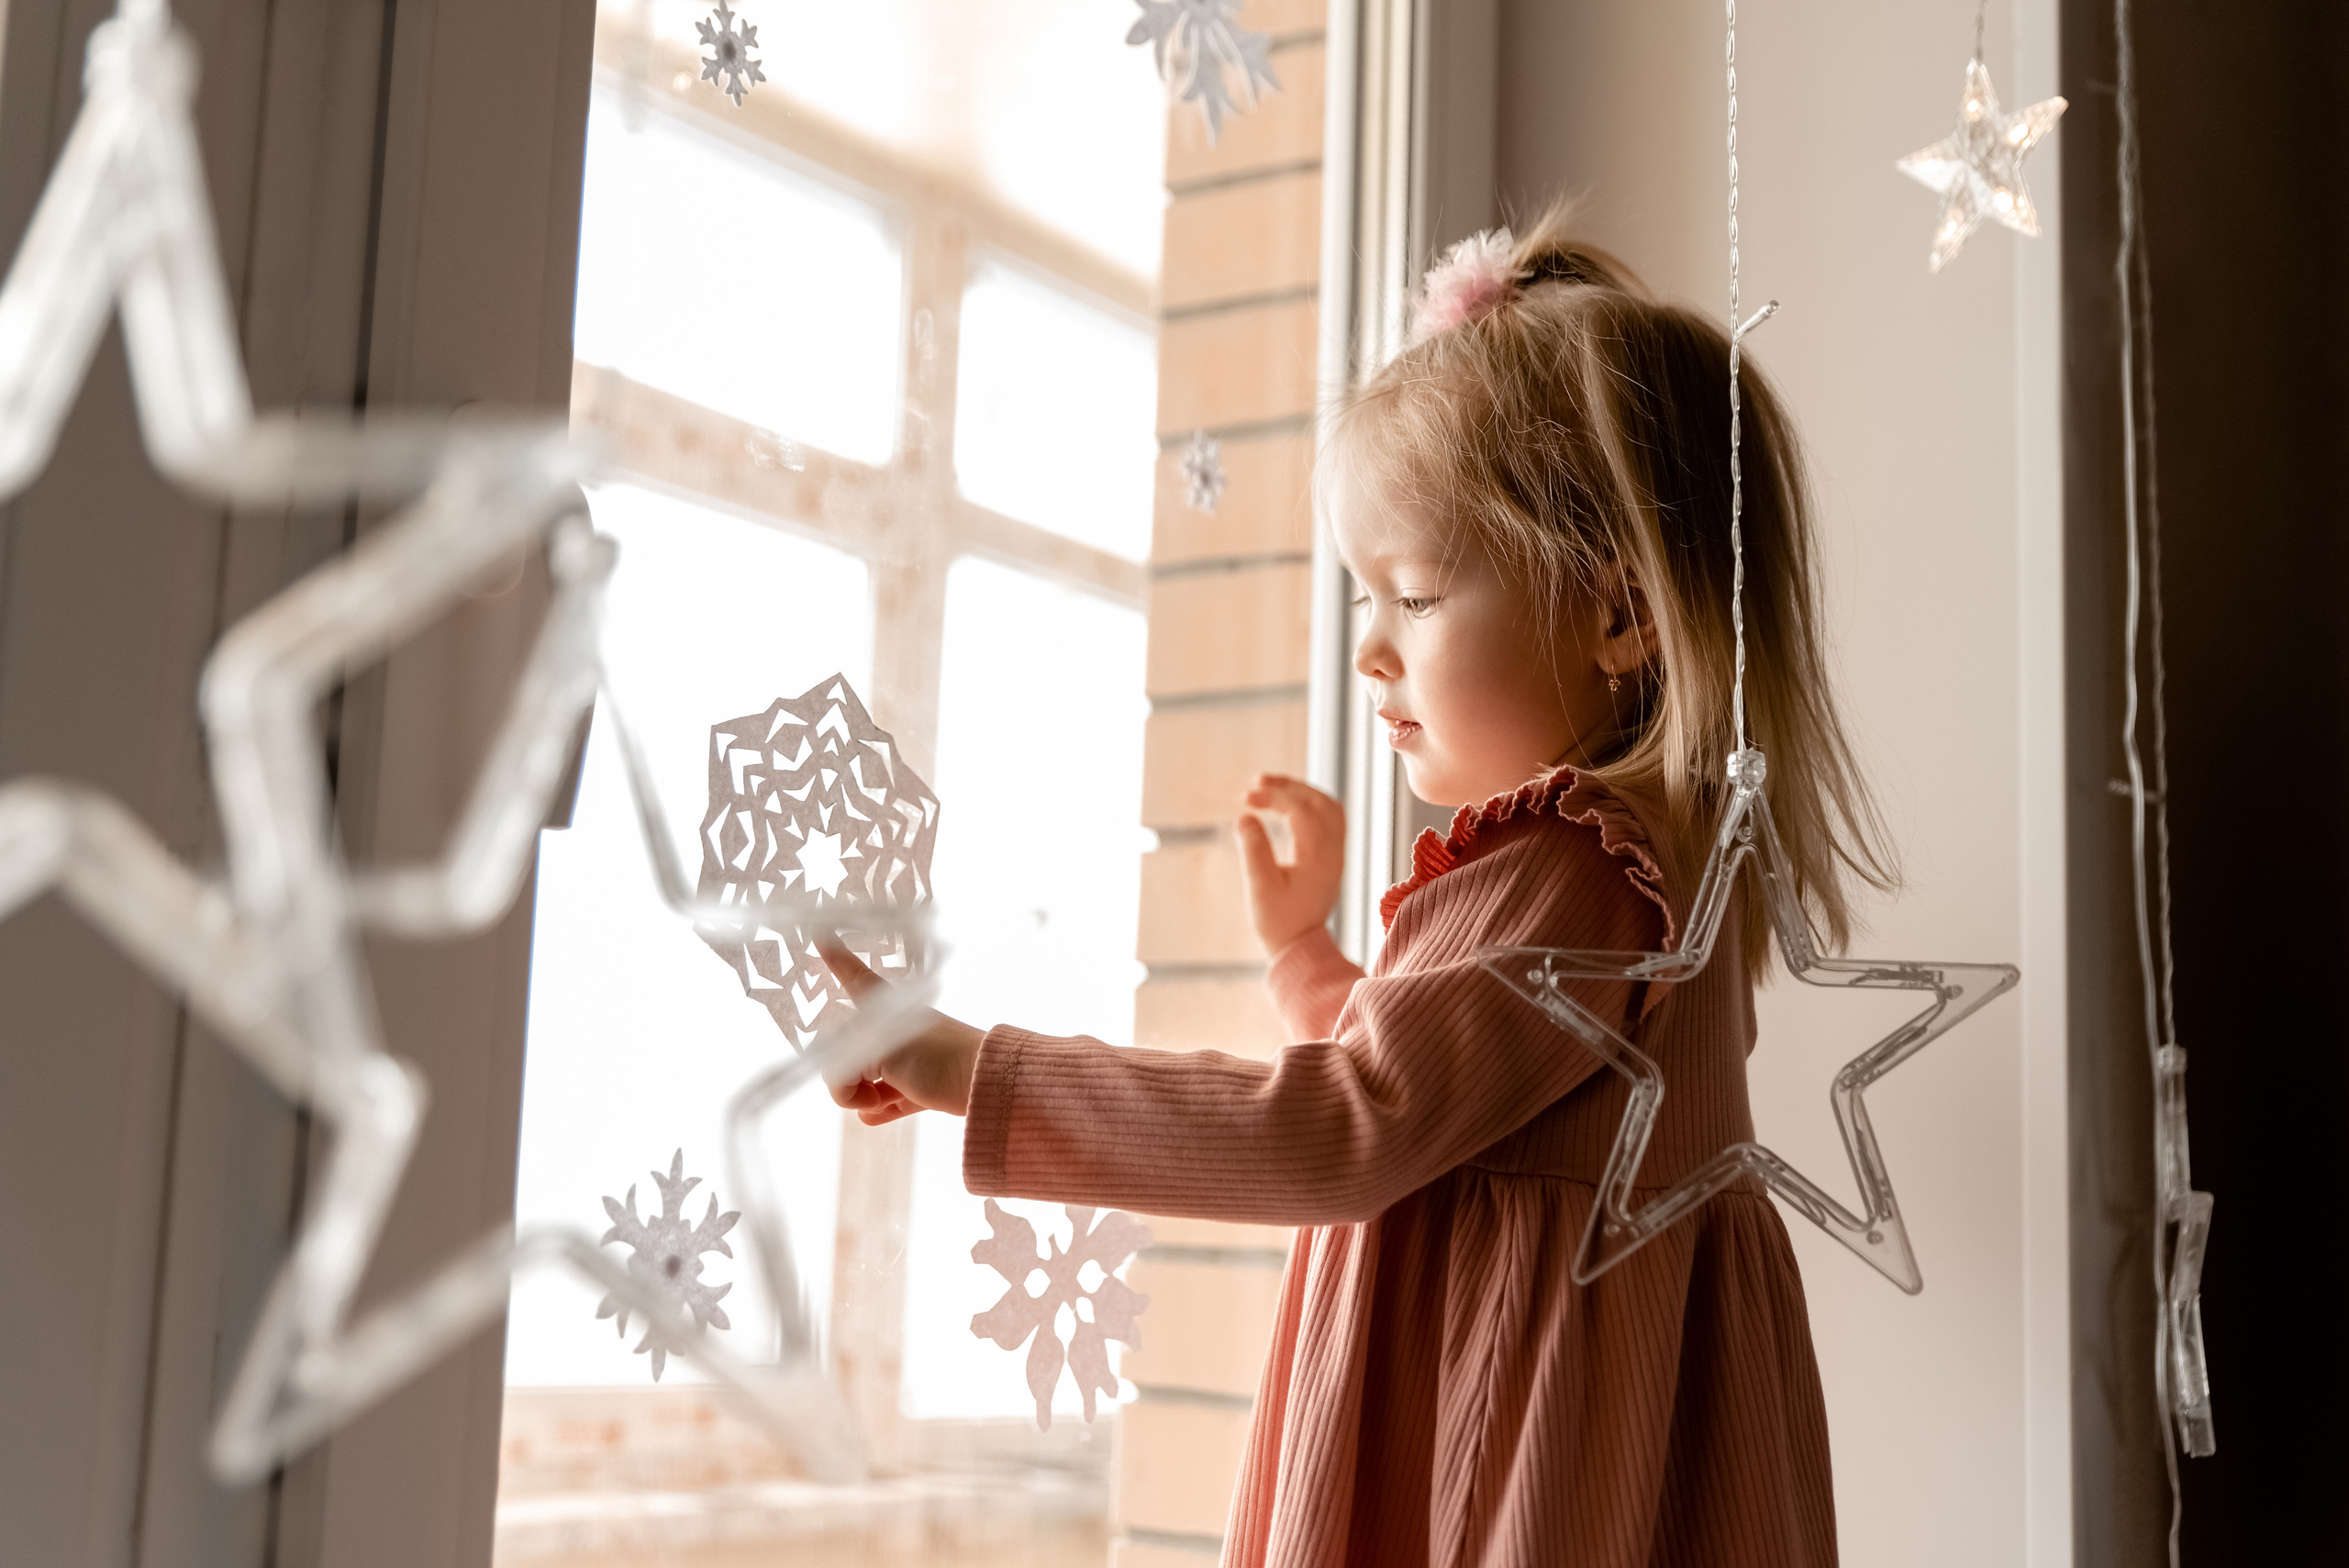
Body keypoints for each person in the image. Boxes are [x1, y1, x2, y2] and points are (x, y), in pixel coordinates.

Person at [821, 206, 1894, 1568]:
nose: (1371, 654)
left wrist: (972, 1064)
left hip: (1515, 1445)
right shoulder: (1655, 867)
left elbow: (1343, 1130)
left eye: (1418, 595)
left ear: (1619, 615)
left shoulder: (1570, 864)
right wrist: (1306, 959)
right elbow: (1451, 1096)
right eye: (1362, 600)